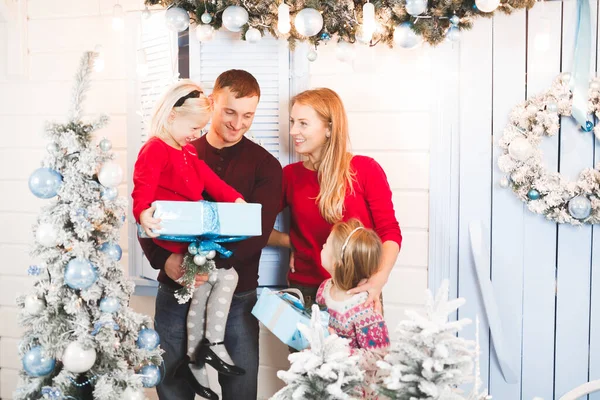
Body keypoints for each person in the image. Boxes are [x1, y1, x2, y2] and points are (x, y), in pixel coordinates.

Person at [138, 70, 283, 400]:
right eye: (230, 112)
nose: (238, 123)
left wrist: (205, 264)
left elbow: (255, 234)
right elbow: (147, 213)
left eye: (247, 115)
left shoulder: (265, 166)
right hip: (176, 289)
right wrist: (168, 259)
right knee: (173, 385)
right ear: (211, 104)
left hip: (237, 296)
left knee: (240, 387)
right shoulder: (174, 148)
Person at [269, 88, 402, 313]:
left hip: (357, 291)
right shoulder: (290, 176)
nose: (293, 131)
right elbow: (255, 225)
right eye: (292, 121)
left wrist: (379, 279)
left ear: (329, 128)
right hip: (306, 293)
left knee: (363, 350)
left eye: (303, 123)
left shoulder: (365, 169)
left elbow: (389, 231)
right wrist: (294, 243)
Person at [316, 219, 390, 350]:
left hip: (351, 370)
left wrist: (339, 351)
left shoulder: (366, 309)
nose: (323, 246)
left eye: (326, 244)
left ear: (336, 263)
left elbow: (378, 356)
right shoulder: (324, 290)